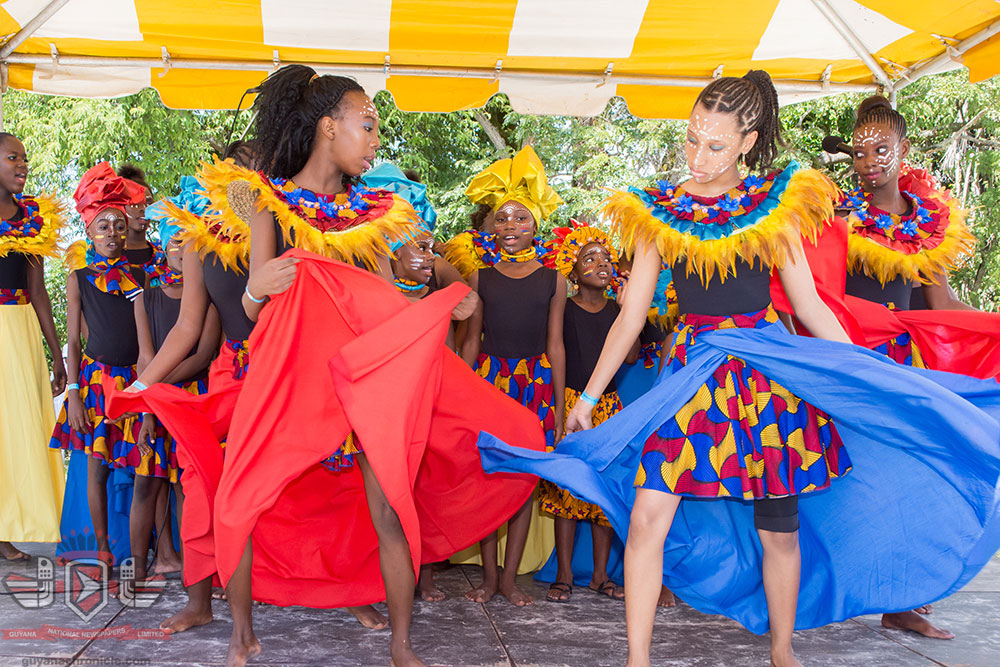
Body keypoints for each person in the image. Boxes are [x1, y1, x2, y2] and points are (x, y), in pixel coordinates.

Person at [478, 71, 1000, 667]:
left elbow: (807, 306)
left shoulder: (774, 209)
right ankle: (636, 661)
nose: (698, 156)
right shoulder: (659, 213)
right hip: (689, 376)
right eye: (692, 139)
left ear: (748, 141)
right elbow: (628, 319)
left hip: (765, 379)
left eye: (716, 144)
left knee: (779, 527)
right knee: (648, 517)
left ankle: (782, 653)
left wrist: (865, 370)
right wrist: (585, 396)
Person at [109, 65, 544, 667]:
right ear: (326, 127)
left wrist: (447, 300)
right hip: (286, 380)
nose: (374, 140)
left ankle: (400, 643)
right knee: (242, 498)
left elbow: (387, 302)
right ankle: (241, 634)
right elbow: (253, 311)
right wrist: (258, 288)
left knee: (390, 507)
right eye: (366, 125)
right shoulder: (269, 203)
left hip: (360, 385)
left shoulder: (377, 211)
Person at [454, 146, 567, 607]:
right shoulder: (480, 277)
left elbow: (555, 344)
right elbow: (471, 341)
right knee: (489, 480)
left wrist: (560, 407)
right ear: (490, 226)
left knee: (522, 481)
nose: (511, 228)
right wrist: (460, 394)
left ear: (536, 225)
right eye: (502, 219)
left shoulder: (554, 279)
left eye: (521, 219)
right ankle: (488, 575)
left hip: (534, 386)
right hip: (491, 385)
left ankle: (508, 579)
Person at [50, 162, 148, 565]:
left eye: (118, 225)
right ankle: (103, 547)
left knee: (142, 463)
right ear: (89, 232)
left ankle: (145, 548)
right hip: (94, 382)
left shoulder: (141, 276)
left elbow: (147, 341)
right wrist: (73, 392)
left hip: (133, 381)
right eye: (104, 226)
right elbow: (73, 340)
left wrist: (146, 389)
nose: (113, 233)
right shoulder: (80, 278)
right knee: (97, 467)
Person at [122, 195, 221, 584]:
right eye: (174, 240)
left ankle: (197, 571)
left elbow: (203, 356)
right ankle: (136, 571)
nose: (181, 246)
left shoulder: (208, 301)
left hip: (194, 399)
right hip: (157, 401)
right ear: (163, 246)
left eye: (187, 238)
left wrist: (159, 387)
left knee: (190, 486)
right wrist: (148, 408)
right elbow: (147, 357)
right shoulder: (145, 299)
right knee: (146, 483)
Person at [539, 222, 638, 603]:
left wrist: (631, 305)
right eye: (589, 258)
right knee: (567, 493)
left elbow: (629, 356)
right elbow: (556, 353)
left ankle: (599, 575)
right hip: (571, 401)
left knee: (603, 493)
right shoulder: (565, 308)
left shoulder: (618, 309)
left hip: (609, 408)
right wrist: (562, 410)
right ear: (573, 269)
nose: (601, 264)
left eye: (606, 259)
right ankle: (564, 573)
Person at [0, 131, 67, 560]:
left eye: (24, 158)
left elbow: (38, 290)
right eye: (12, 157)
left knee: (17, 429)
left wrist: (56, 352)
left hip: (19, 329)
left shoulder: (33, 219)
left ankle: (6, 530)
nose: (23, 165)